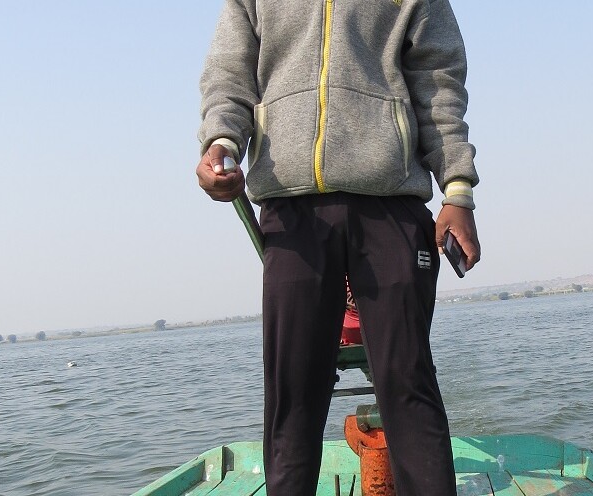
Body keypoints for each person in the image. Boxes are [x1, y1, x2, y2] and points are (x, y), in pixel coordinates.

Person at [196, 1, 481, 494]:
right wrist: (221, 141)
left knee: (407, 380)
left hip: (392, 204)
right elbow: (230, 74)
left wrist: (457, 188)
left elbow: (439, 79)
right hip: (292, 210)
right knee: (293, 390)